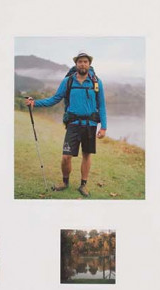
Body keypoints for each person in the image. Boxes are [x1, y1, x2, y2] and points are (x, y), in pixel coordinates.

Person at [26, 52, 107, 197]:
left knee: (87, 155)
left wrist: (104, 127)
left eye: (85, 62)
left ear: (89, 64)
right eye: (80, 62)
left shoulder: (96, 82)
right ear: (76, 64)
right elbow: (54, 99)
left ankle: (83, 185)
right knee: (66, 157)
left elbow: (102, 106)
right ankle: (65, 182)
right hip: (73, 124)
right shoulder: (68, 81)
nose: (83, 64)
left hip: (90, 125)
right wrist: (35, 104)